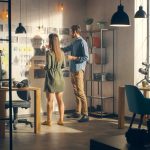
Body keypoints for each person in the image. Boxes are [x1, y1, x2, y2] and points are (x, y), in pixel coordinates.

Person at [62, 25, 89, 122]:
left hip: (79, 70)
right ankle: (77, 112)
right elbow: (65, 49)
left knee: (81, 92)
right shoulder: (75, 42)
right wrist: (55, 48)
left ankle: (85, 114)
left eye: (70, 32)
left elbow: (86, 58)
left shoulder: (82, 42)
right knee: (76, 91)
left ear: (74, 32)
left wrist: (73, 58)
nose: (70, 33)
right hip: (73, 70)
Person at [40, 33, 66, 126]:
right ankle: (61, 120)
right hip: (60, 78)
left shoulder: (49, 52)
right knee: (60, 100)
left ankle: (49, 121)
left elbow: (49, 67)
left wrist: (42, 67)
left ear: (50, 41)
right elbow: (63, 65)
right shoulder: (62, 52)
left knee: (50, 101)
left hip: (51, 78)